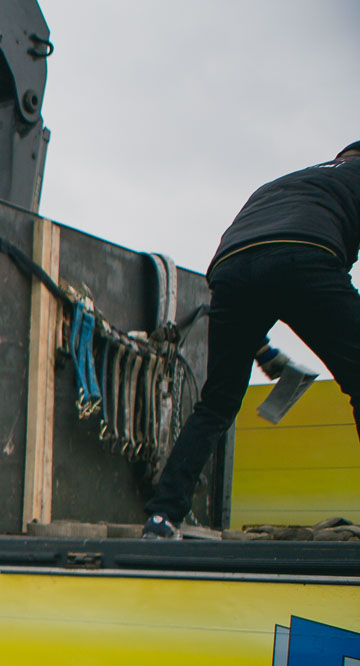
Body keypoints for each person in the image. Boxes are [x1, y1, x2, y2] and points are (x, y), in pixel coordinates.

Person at [144, 142, 360, 537]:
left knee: (216, 403)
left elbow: (257, 263)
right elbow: (288, 262)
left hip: (230, 267)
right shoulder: (351, 178)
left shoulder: (283, 183)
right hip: (306, 254)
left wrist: (260, 349)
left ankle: (162, 517)